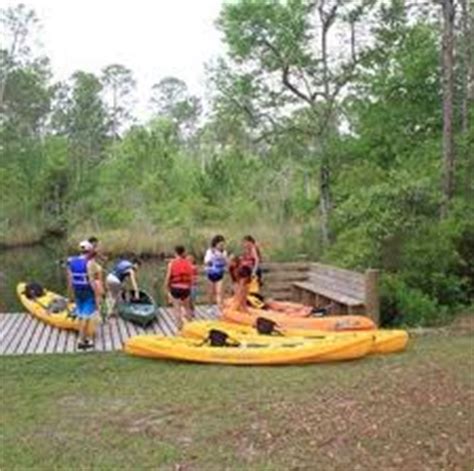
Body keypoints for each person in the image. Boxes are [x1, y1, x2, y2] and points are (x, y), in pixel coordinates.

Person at [67, 240, 104, 349]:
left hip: (77, 290)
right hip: (87, 291)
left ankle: (84, 338)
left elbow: (70, 280)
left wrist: (70, 295)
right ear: (90, 251)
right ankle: (82, 340)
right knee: (87, 316)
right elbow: (92, 281)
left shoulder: (72, 261)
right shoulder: (90, 263)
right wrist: (97, 295)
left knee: (80, 313)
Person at [164, 245, 194, 329]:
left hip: (175, 289)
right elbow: (191, 279)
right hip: (186, 289)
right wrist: (189, 289)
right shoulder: (188, 263)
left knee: (177, 310)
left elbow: (168, 278)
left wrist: (166, 290)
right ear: (184, 252)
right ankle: (191, 328)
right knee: (187, 309)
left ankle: (179, 329)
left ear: (175, 253)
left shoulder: (171, 263)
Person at [204, 235, 228, 309]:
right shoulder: (210, 251)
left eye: (223, 244)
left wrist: (222, 258)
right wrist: (213, 258)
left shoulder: (224, 252)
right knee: (210, 292)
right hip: (210, 273)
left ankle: (219, 306)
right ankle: (209, 306)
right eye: (220, 244)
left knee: (219, 292)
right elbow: (206, 262)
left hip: (220, 274)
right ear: (216, 244)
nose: (221, 246)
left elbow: (226, 262)